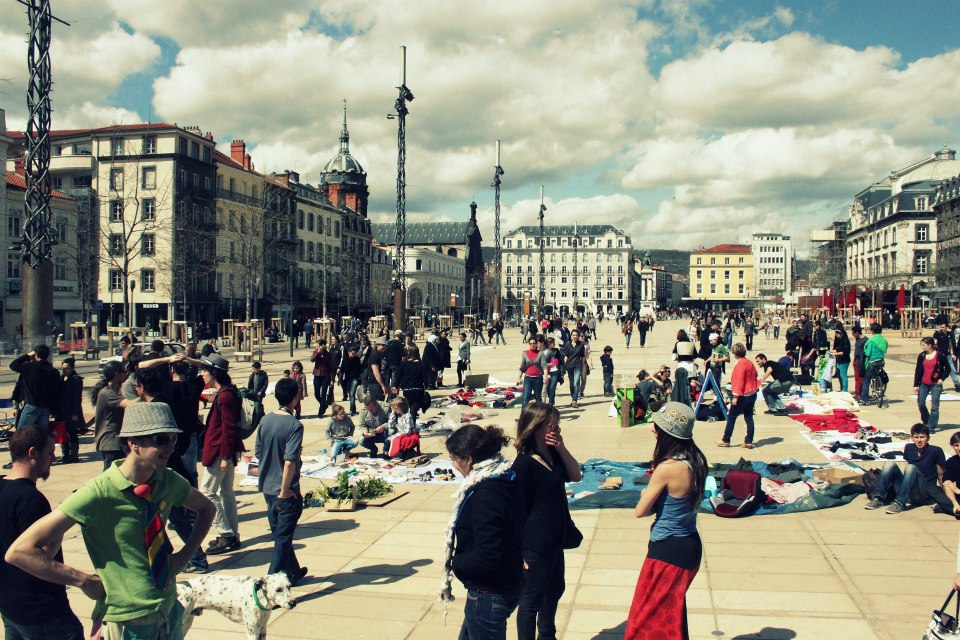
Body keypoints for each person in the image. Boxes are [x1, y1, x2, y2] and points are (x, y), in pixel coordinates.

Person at [6, 403, 215, 640]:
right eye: (160, 439)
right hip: (129, 619)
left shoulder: (168, 481)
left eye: (173, 440)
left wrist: (184, 556)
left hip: (169, 609)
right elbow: (20, 551)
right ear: (133, 443)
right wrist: (81, 579)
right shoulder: (98, 492)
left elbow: (207, 509)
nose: (169, 447)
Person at [625, 402, 707, 640]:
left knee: (647, 622)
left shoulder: (668, 468)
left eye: (657, 427)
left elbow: (640, 511)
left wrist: (646, 494)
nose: (653, 430)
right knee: (671, 616)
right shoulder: (697, 461)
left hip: (668, 550)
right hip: (689, 544)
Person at [437, 424, 521, 640]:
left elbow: (487, 554)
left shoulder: (487, 495)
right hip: (501, 586)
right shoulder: (504, 476)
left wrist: (457, 563)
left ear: (469, 459)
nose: (453, 465)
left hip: (490, 593)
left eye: (454, 458)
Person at [0, 426, 84, 639]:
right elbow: (43, 555)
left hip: (10, 608)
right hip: (43, 612)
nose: (53, 459)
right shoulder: (30, 499)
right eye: (49, 452)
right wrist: (61, 522)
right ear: (32, 453)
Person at [512, 403, 582, 640]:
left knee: (554, 590)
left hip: (555, 539)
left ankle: (547, 635)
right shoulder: (523, 464)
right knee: (531, 599)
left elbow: (576, 475)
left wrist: (562, 449)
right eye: (553, 425)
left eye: (557, 424)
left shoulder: (552, 454)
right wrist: (519, 552)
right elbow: (517, 509)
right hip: (534, 545)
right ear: (537, 427)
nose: (557, 428)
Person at [255, 377, 308, 585]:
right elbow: (289, 462)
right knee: (282, 540)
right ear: (295, 398)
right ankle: (268, 583)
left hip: (267, 487)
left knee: (280, 535)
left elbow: (259, 452)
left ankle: (292, 571)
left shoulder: (265, 420)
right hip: (285, 491)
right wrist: (285, 489)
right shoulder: (294, 425)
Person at [199, 354, 243, 555]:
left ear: (214, 373)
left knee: (207, 492)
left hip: (220, 452)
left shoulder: (224, 396)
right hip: (225, 451)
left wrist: (225, 457)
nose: (202, 374)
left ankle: (226, 534)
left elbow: (228, 428)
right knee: (227, 493)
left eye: (205, 371)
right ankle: (233, 534)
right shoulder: (227, 392)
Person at [865, 423, 951, 514]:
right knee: (889, 464)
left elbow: (941, 475)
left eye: (922, 437)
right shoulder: (909, 448)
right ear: (912, 438)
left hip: (925, 493)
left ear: (928, 438)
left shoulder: (936, 451)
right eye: (916, 437)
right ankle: (878, 498)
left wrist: (945, 498)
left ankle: (899, 503)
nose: (919, 440)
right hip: (909, 493)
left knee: (910, 468)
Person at [717, 343, 759, 449]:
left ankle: (726, 439)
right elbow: (756, 374)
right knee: (749, 417)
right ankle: (749, 441)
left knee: (732, 417)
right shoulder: (749, 362)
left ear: (735, 353)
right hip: (752, 394)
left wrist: (735, 396)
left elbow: (739, 381)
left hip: (742, 395)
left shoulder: (740, 364)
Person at [9, 345, 61, 428]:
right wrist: (54, 410)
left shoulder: (30, 368)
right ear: (47, 356)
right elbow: (56, 392)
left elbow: (13, 365)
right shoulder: (54, 371)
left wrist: (27, 356)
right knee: (42, 433)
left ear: (36, 355)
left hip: (32, 404)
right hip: (46, 406)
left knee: (22, 432)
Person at [92, 361, 131, 470]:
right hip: (111, 442)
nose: (126, 374)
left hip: (114, 442)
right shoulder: (107, 393)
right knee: (111, 477)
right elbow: (130, 405)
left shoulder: (114, 390)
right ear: (116, 374)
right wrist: (145, 393)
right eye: (124, 372)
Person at [915, 336, 950, 433]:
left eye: (923, 345)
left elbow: (948, 369)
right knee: (921, 403)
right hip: (924, 383)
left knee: (934, 406)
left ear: (930, 345)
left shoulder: (940, 355)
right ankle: (926, 420)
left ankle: (931, 426)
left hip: (935, 384)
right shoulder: (921, 356)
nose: (922, 347)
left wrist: (942, 379)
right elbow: (918, 370)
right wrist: (915, 384)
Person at [57, 357, 84, 463]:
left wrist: (75, 413)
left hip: (71, 410)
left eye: (67, 368)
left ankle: (74, 455)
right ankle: (65, 454)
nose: (65, 370)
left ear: (72, 368)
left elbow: (77, 398)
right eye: (63, 368)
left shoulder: (76, 379)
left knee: (72, 432)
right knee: (62, 433)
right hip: (61, 410)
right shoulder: (61, 378)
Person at [394, 346, 428, 419]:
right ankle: (412, 424)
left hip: (407, 389)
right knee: (414, 407)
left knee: (409, 406)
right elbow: (425, 377)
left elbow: (398, 376)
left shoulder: (403, 364)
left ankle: (408, 422)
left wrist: (396, 386)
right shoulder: (421, 364)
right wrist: (426, 386)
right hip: (418, 389)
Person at [859, 323, 888, 405]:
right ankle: (879, 387)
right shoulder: (883, 340)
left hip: (872, 362)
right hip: (881, 361)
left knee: (866, 381)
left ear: (872, 330)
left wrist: (864, 352)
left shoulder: (871, 341)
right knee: (879, 374)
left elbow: (868, 354)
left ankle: (864, 400)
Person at [517, 337, 546, 407]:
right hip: (528, 379)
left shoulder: (541, 353)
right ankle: (523, 416)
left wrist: (545, 377)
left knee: (538, 398)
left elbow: (544, 366)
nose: (532, 345)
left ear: (537, 344)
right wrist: (519, 378)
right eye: (531, 343)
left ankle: (540, 415)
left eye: (534, 343)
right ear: (529, 344)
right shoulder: (525, 353)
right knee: (526, 397)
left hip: (538, 378)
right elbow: (522, 367)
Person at [310, 340, 334, 417]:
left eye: (319, 345)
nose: (317, 347)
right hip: (317, 375)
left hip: (325, 375)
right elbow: (312, 360)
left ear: (323, 346)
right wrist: (318, 352)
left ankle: (321, 411)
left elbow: (331, 367)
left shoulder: (328, 354)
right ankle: (324, 405)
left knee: (323, 394)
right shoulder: (315, 352)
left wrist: (332, 379)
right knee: (316, 394)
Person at [563, 331, 586, 408]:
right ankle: (573, 397)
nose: (575, 336)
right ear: (571, 336)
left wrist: (584, 365)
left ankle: (574, 400)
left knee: (576, 383)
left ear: (578, 336)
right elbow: (566, 355)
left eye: (576, 335)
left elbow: (582, 356)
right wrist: (564, 366)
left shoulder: (581, 345)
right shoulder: (567, 344)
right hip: (569, 366)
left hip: (578, 366)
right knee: (572, 384)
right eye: (573, 335)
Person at [934, 322, 960, 391]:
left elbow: (950, 344)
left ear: (946, 327)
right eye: (940, 327)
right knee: (940, 370)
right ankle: (939, 386)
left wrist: (952, 354)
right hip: (939, 355)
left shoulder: (949, 334)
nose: (941, 328)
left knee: (952, 370)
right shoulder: (937, 334)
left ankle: (957, 385)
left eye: (943, 327)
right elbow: (935, 344)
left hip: (947, 354)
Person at [940, 432, 960, 517]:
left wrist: (957, 490)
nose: (959, 448)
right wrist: (955, 503)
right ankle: (956, 507)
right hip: (958, 498)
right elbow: (946, 482)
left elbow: (956, 490)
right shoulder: (952, 462)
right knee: (931, 490)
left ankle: (945, 507)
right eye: (956, 445)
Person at [363, 337, 389, 402]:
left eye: (385, 345)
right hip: (375, 384)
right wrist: (383, 385)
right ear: (377, 345)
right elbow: (376, 373)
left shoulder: (382, 355)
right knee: (378, 405)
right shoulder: (374, 355)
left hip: (380, 383)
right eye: (382, 345)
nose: (384, 347)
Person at [829, 326, 851, 393]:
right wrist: (830, 351)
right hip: (839, 360)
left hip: (844, 360)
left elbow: (844, 352)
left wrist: (835, 354)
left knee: (843, 375)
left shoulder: (845, 341)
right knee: (839, 375)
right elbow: (837, 349)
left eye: (837, 334)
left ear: (841, 334)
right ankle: (842, 388)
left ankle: (844, 390)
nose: (836, 335)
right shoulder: (840, 341)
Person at [852, 325, 867, 397]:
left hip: (861, 362)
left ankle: (859, 394)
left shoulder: (865, 340)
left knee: (860, 379)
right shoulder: (857, 339)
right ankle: (858, 392)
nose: (853, 335)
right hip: (856, 361)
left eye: (853, 334)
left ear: (857, 333)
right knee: (857, 378)